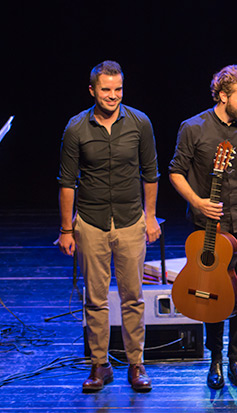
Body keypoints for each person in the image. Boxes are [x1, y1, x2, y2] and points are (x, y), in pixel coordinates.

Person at [169, 64, 237, 390]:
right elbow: (175, 171)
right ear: (222, 96)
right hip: (207, 225)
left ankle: (235, 358)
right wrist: (197, 201)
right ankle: (215, 358)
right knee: (210, 287)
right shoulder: (193, 127)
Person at [57, 60, 161, 393]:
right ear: (92, 91)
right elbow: (67, 182)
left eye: (118, 89)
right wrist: (66, 229)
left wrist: (151, 216)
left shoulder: (140, 123)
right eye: (106, 90)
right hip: (91, 220)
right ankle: (100, 364)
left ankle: (135, 363)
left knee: (133, 296)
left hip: (131, 220)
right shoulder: (76, 128)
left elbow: (150, 173)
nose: (113, 95)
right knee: (96, 298)